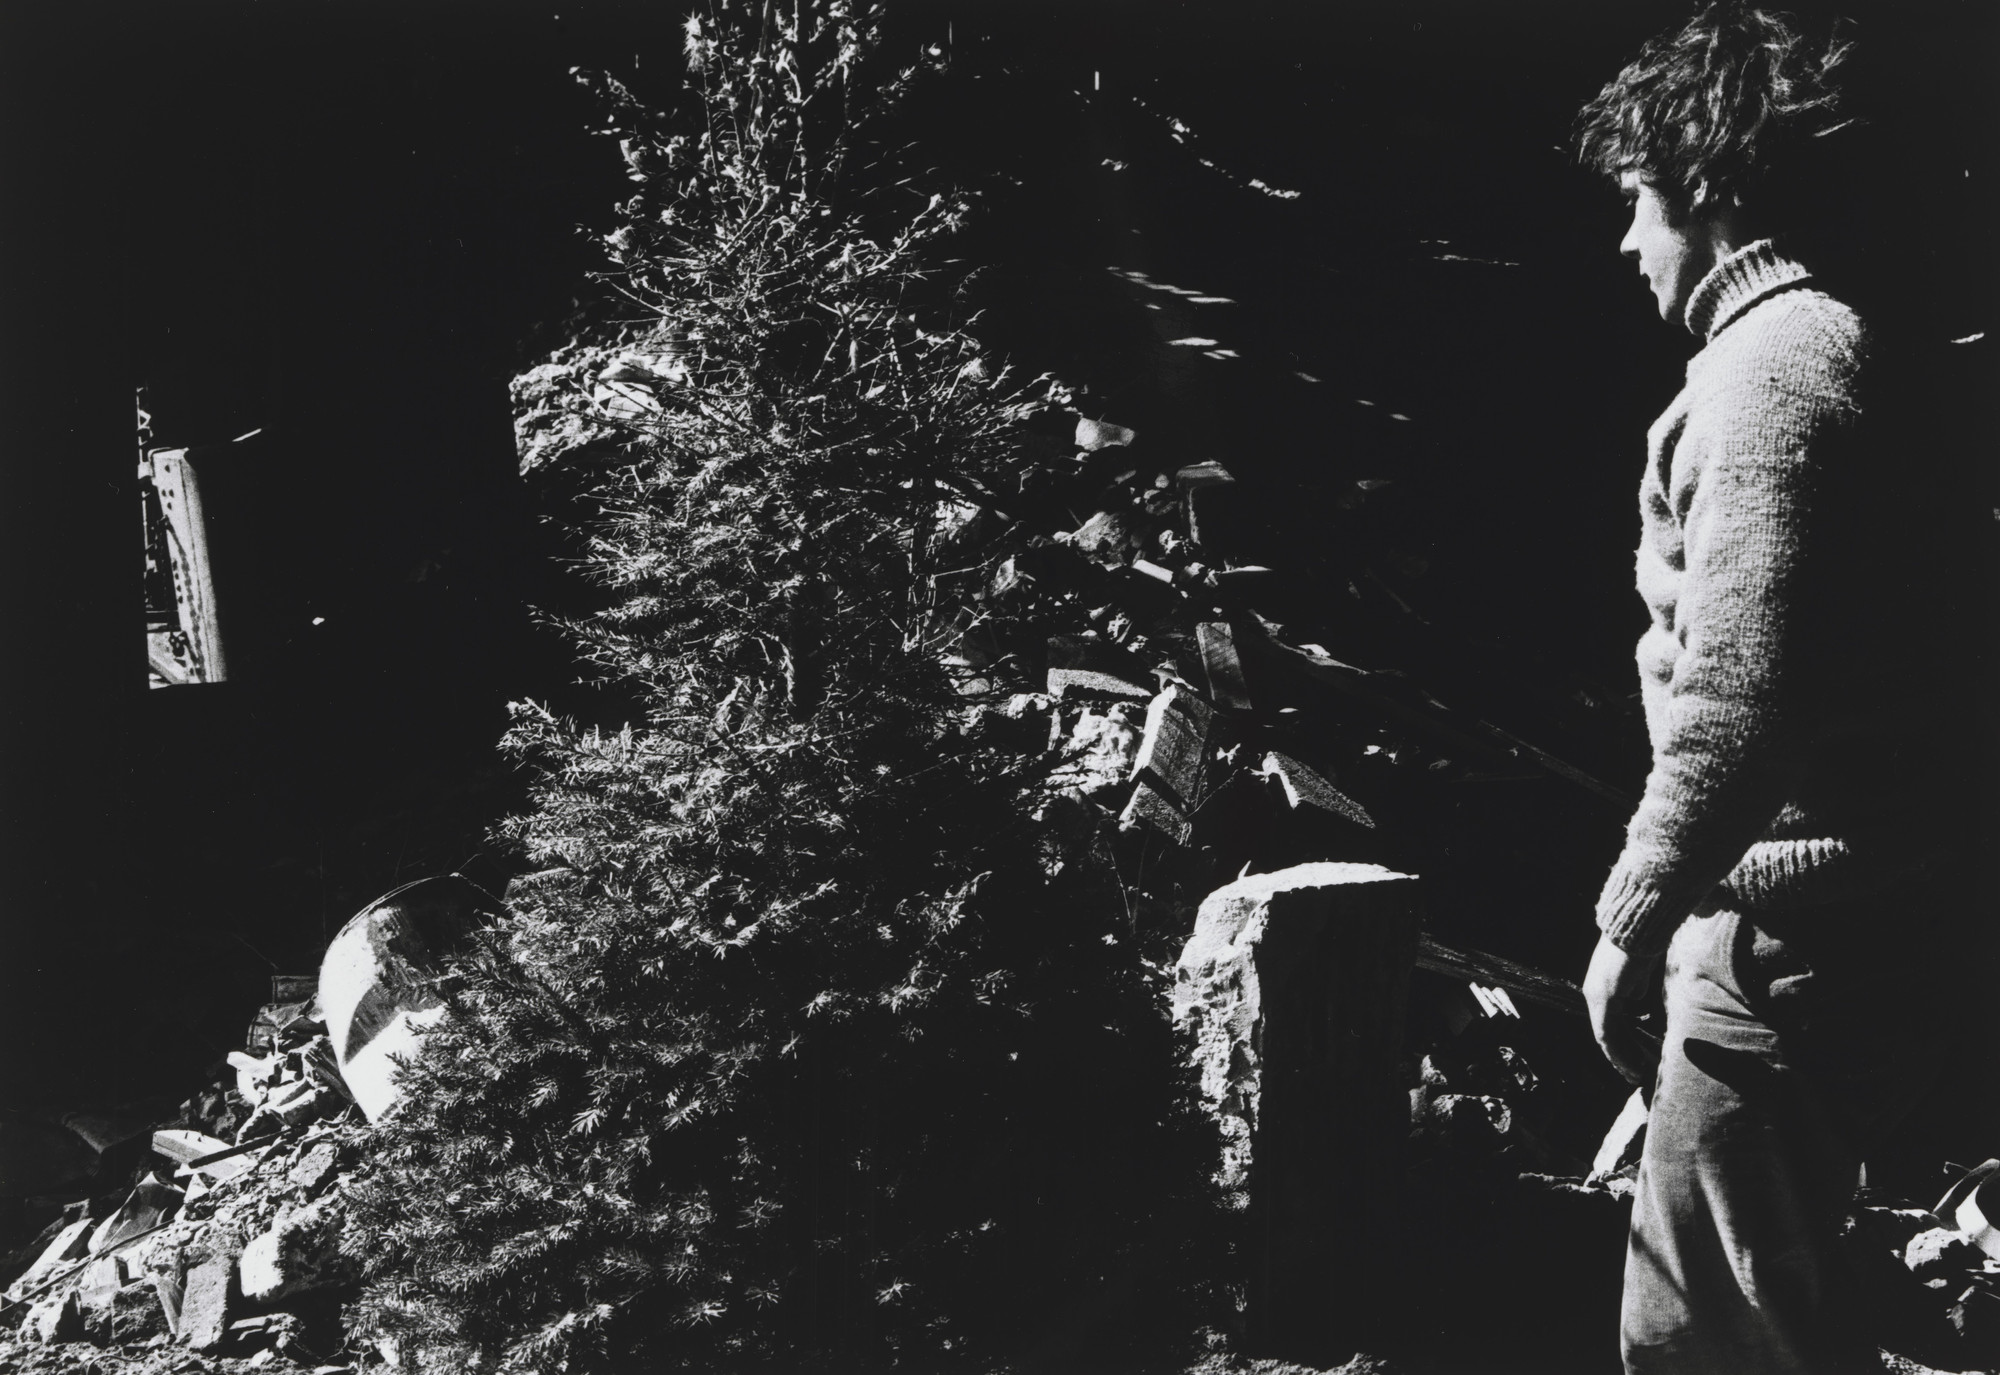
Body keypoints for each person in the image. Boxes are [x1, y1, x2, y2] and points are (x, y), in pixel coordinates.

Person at [1573, 5, 1982, 1372]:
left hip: (1799, 948)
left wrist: (1635, 916)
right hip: (1866, 925)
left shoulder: (1770, 383)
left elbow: (1740, 704)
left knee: (1698, 1338)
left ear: (1707, 188)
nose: (1629, 242)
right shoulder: (1841, 347)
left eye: (1640, 201)